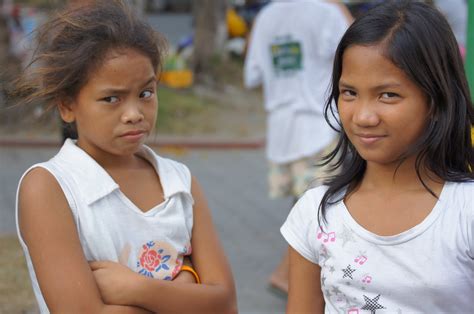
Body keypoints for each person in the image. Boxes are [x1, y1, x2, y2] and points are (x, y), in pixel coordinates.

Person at [14, 1, 237, 313]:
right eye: (111, 98)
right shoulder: (50, 188)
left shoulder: (179, 182)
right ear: (67, 105)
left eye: (145, 93)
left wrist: (139, 290)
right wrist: (185, 291)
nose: (134, 114)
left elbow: (225, 304)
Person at [281, 1, 474, 313]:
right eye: (349, 93)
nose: (364, 116)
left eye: (388, 95)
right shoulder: (315, 212)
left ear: (437, 100)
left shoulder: (465, 212)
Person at [243, 0, 350, 293]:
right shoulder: (326, 12)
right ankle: (288, 275)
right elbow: (359, 51)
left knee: (308, 204)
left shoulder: (266, 16)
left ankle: (294, 275)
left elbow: (252, 74)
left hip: (282, 129)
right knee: (321, 207)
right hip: (319, 127)